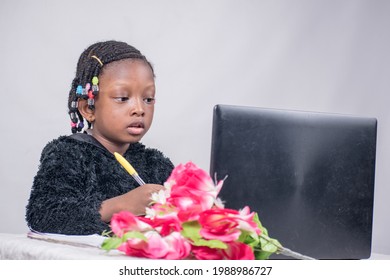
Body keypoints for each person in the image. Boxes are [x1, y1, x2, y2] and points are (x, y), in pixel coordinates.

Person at [26, 40, 174, 235]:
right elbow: (43, 215)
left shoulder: (155, 163)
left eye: (148, 99)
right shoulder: (68, 154)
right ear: (88, 108)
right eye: (122, 98)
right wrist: (121, 205)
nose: (139, 109)